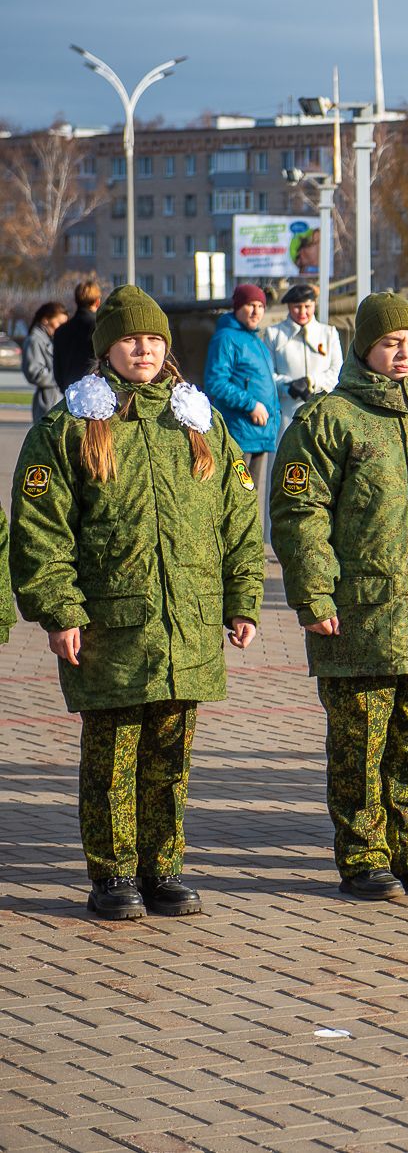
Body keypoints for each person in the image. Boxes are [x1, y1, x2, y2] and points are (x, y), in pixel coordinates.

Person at [9, 285, 263, 920]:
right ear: (106, 349)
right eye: (129, 339)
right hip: (113, 625)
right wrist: (60, 610)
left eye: (153, 339)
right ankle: (114, 873)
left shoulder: (199, 425)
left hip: (188, 622)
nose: (143, 349)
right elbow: (42, 528)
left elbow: (238, 518)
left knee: (171, 756)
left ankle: (164, 866)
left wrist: (244, 601)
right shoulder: (70, 428)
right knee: (113, 755)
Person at [270, 293, 408, 901]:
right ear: (365, 346)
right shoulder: (329, 419)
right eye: (392, 342)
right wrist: (315, 594)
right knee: (361, 743)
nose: (403, 354)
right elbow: (298, 513)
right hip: (361, 615)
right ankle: (364, 856)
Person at [203, 284, 281, 529]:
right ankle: (235, 550)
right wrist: (251, 405)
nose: (256, 312)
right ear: (237, 307)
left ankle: (249, 548)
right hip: (240, 435)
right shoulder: (226, 338)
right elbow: (216, 382)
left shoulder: (254, 339)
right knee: (239, 495)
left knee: (251, 495)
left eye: (260, 306)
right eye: (250, 305)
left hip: (259, 433)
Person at [265, 284, 343, 430]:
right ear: (288, 306)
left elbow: (337, 371)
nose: (303, 312)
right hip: (287, 413)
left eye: (307, 306)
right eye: (297, 306)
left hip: (323, 409)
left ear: (314, 305)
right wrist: (289, 386)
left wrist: (311, 381)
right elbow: (268, 374)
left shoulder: (329, 333)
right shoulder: (274, 334)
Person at [52, 279, 102, 390]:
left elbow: (57, 368)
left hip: (69, 391)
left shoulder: (61, 330)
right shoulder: (99, 327)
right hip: (93, 393)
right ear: (97, 302)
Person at [24, 300, 66, 422]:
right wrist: (60, 375)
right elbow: (34, 373)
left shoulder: (50, 339)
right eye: (59, 322)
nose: (61, 327)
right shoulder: (34, 340)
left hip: (56, 398)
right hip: (48, 402)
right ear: (45, 320)